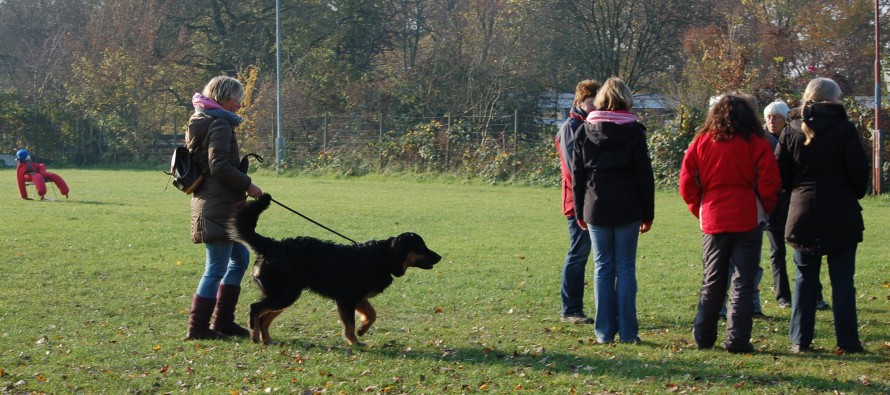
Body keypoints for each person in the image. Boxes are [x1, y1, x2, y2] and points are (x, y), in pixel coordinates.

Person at [679, 95, 780, 353]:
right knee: (744, 281)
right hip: (746, 212)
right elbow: (770, 181)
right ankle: (737, 339)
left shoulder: (702, 141)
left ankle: (704, 335)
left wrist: (699, 208)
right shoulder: (757, 142)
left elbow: (687, 182)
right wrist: (763, 207)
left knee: (713, 279)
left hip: (714, 213)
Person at [775, 78, 869, 354]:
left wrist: (793, 192)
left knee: (804, 277)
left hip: (802, 208)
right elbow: (858, 169)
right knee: (842, 278)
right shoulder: (844, 128)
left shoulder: (791, 129)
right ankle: (848, 340)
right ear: (833, 99)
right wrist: (852, 192)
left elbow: (780, 172)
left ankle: (799, 339)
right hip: (840, 208)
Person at [572, 77, 655, 343]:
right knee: (626, 268)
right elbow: (645, 175)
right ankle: (629, 333)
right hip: (628, 205)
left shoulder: (584, 130)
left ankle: (604, 332)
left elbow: (577, 175)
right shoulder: (634, 131)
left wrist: (578, 211)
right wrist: (648, 212)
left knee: (603, 268)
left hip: (596, 206)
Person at [185, 76, 263, 340]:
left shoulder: (203, 120)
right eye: (238, 100)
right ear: (225, 98)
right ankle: (198, 329)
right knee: (216, 267)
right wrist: (248, 184)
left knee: (239, 259)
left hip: (218, 202)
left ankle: (224, 322)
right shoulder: (220, 124)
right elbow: (218, 166)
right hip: (217, 204)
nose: (240, 106)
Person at [763, 101, 831, 311]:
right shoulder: (762, 141)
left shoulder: (795, 137)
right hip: (774, 204)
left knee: (804, 250)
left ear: (785, 120)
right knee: (777, 252)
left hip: (794, 202)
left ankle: (815, 294)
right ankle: (782, 295)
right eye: (768, 118)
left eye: (776, 118)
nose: (772, 122)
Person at [555, 79, 601, 324]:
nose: (595, 107)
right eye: (591, 102)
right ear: (580, 101)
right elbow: (575, 168)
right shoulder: (571, 127)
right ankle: (570, 309)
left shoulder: (590, 124)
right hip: (577, 201)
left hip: (591, 199)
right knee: (578, 253)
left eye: (598, 102)